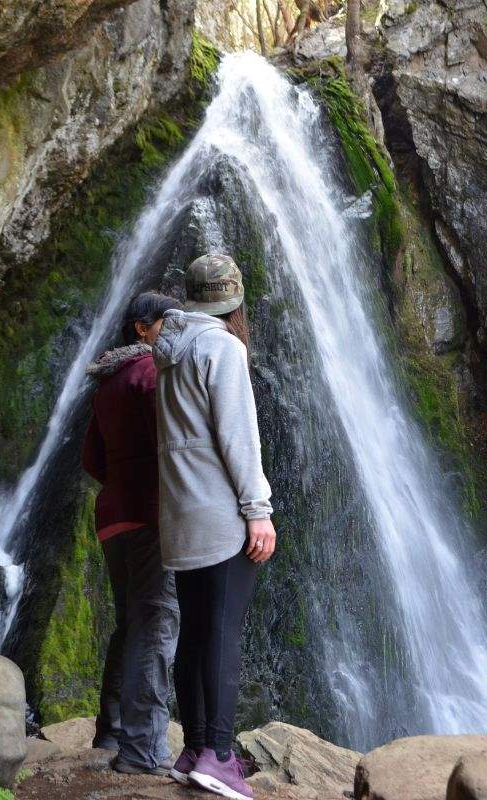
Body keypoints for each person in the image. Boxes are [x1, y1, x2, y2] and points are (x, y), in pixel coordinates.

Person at [153, 254, 277, 800]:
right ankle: (222, 757)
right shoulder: (223, 347)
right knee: (224, 634)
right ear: (233, 299)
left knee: (196, 634)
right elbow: (238, 438)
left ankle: (193, 748)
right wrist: (258, 509)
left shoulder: (168, 355)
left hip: (178, 517)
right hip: (219, 518)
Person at [81, 291, 182, 775]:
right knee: (158, 621)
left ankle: (112, 729)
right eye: (168, 321)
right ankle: (142, 750)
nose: (176, 329)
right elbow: (176, 443)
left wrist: (122, 482)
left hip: (114, 517)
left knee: (130, 623)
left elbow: (91, 460)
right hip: (149, 515)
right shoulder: (150, 376)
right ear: (142, 329)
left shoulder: (108, 383)